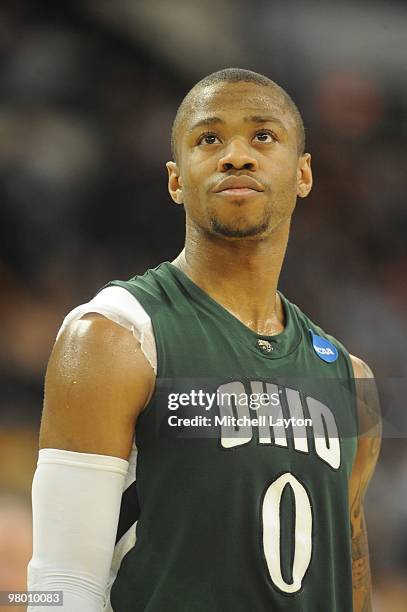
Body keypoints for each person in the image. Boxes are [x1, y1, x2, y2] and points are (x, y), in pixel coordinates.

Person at [27, 68, 381, 612]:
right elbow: (61, 584)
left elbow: (353, 585)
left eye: (263, 136)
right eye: (208, 138)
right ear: (175, 180)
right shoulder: (114, 333)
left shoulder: (351, 381)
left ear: (304, 173)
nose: (236, 155)